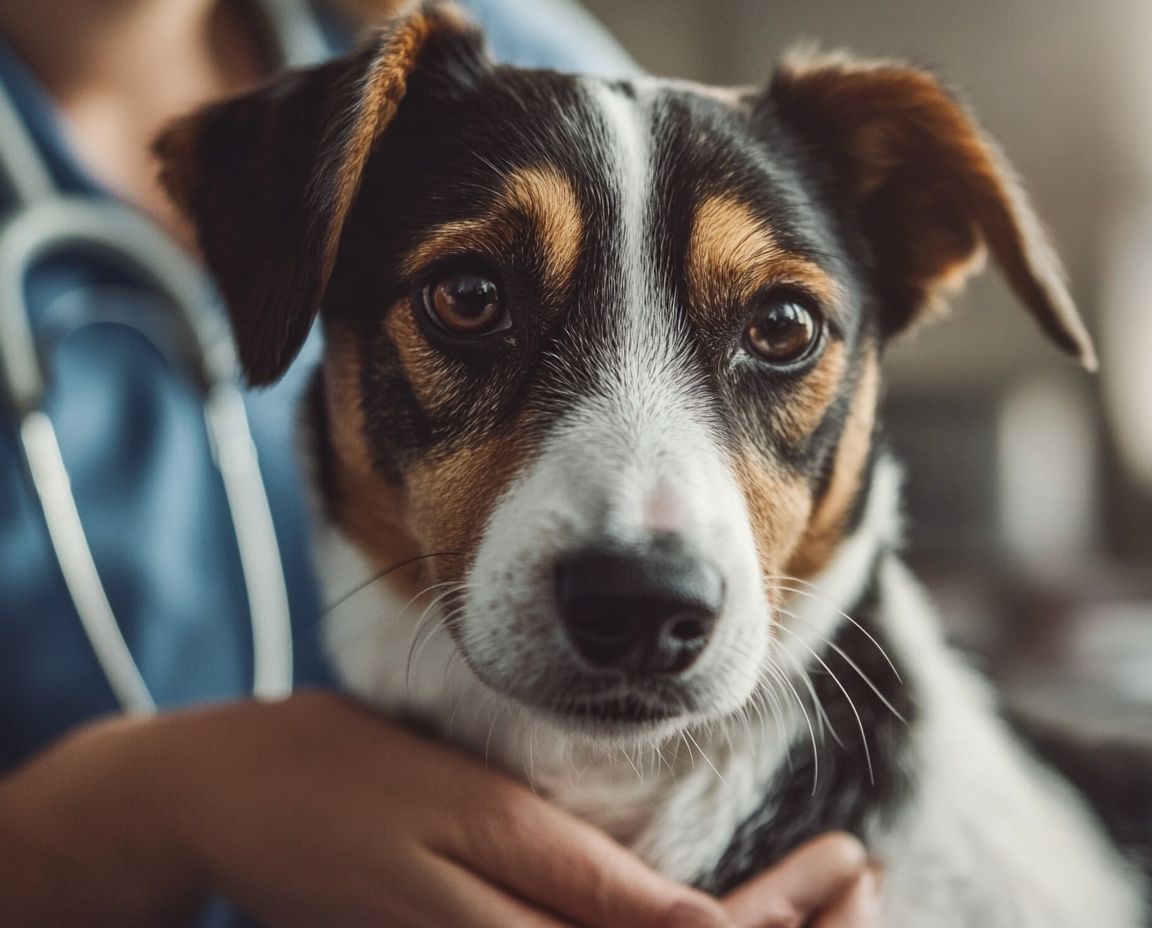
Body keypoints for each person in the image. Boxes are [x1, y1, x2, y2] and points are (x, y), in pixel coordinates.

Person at [0, 1, 882, 925]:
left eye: (779, 329)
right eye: (469, 300)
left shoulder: (513, 49)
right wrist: (146, 811)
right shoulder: (381, 108)